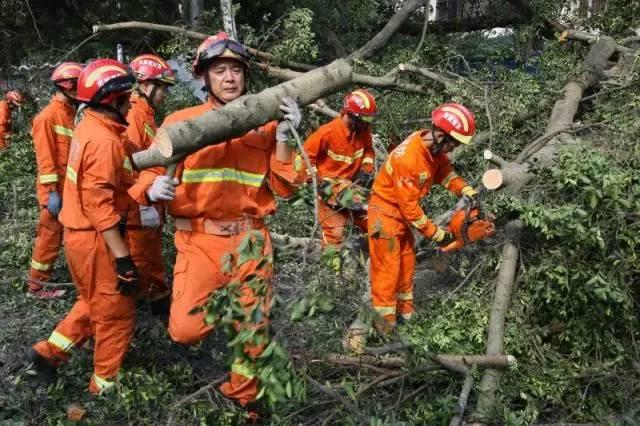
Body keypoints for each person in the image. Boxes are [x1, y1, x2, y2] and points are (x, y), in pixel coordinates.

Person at [128, 31, 304, 407]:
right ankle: (229, 317)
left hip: (251, 241)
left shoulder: (266, 125)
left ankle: (245, 400)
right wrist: (152, 187)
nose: (229, 78)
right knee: (185, 329)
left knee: (254, 333)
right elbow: (144, 173)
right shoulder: (181, 122)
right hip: (199, 242)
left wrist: (287, 136)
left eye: (236, 70)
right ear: (204, 77)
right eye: (220, 70)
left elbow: (286, 188)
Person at [26, 59, 139, 394]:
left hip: (80, 239)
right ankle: (103, 389)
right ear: (112, 101)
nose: (131, 103)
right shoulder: (104, 142)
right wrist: (123, 259)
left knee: (92, 303)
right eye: (127, 98)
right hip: (97, 241)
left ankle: (49, 353)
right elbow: (100, 206)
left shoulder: (88, 127)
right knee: (116, 314)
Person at [367, 103, 478, 331]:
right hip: (384, 215)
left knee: (407, 264)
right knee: (387, 271)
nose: (452, 148)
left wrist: (464, 189)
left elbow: (444, 172)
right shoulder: (408, 159)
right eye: (452, 143)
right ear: (440, 134)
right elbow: (410, 209)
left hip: (400, 216)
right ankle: (384, 327)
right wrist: (437, 234)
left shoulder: (430, 146)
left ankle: (406, 315)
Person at [27, 62, 83, 299]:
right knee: (49, 237)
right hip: (55, 192)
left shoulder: (72, 115)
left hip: (70, 190)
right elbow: (46, 158)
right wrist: (51, 191)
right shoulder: (48, 117)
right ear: (67, 87)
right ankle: (36, 287)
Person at [126, 54, 176, 307]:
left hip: (150, 199)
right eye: (162, 87)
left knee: (151, 255)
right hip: (140, 202)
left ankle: (157, 296)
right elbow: (131, 164)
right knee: (141, 256)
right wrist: (143, 199)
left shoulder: (146, 115)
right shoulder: (134, 115)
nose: (164, 94)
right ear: (145, 85)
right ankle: (144, 304)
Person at [303, 89, 377, 248]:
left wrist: (366, 169)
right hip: (328, 190)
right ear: (350, 114)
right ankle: (332, 271)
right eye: (363, 119)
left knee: (375, 221)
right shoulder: (326, 133)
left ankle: (367, 257)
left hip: (352, 186)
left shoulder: (363, 131)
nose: (366, 124)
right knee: (334, 238)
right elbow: (305, 158)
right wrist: (317, 183)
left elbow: (369, 150)